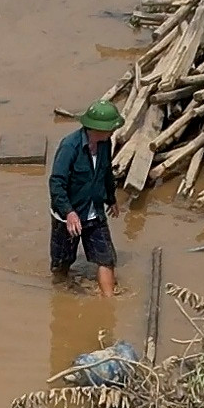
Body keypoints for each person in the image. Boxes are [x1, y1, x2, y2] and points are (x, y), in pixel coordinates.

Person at [49, 100, 124, 295]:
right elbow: (56, 183)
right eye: (111, 129)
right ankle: (62, 297)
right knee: (61, 265)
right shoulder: (69, 147)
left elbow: (106, 172)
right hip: (68, 216)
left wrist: (111, 198)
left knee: (106, 259)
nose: (113, 132)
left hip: (95, 212)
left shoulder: (105, 144)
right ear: (98, 129)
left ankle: (109, 302)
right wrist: (69, 213)